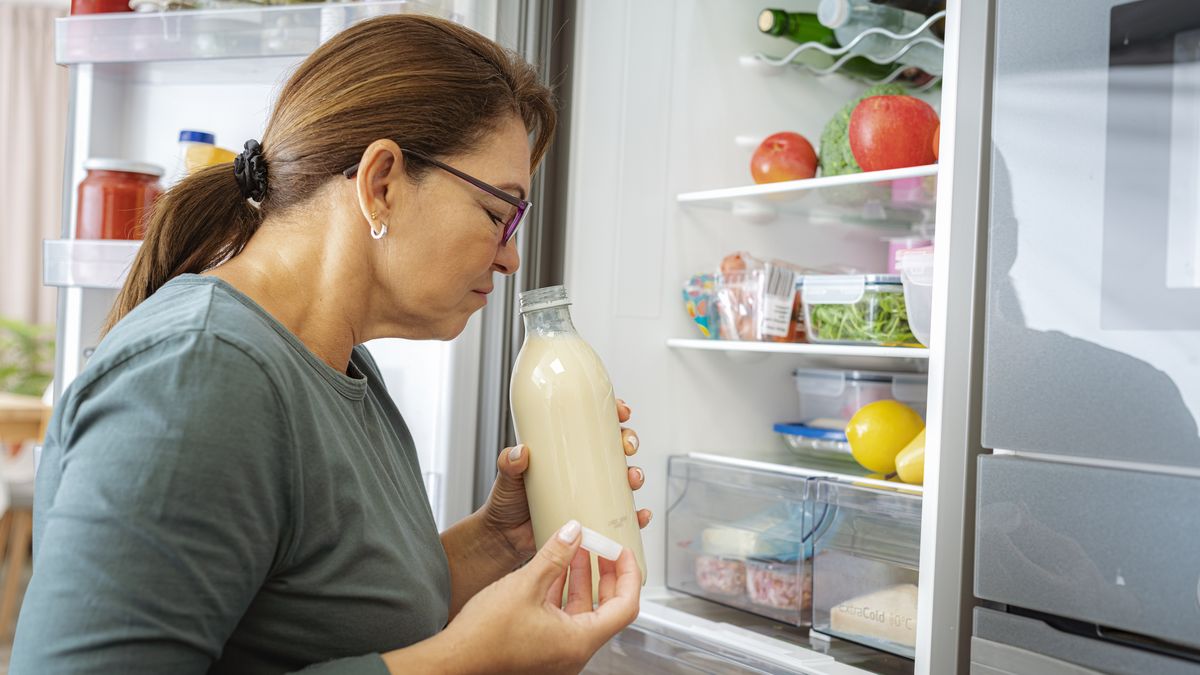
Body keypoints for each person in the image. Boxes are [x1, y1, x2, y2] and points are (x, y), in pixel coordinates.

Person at [11, 14, 649, 674]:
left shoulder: (343, 368)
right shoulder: (196, 375)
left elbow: (330, 618)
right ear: (382, 182)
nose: (511, 257)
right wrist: (469, 663)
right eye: (498, 215)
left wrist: (499, 540)